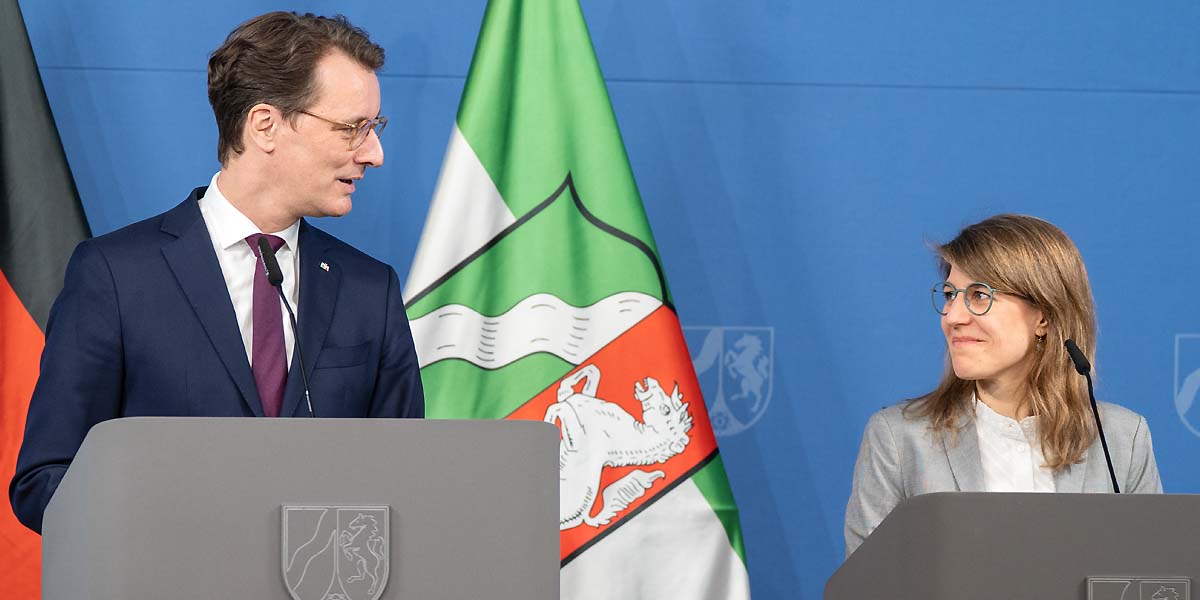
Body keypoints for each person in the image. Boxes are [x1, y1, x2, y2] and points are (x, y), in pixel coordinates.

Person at [10, 12, 424, 534]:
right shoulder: (115, 277)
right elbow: (46, 480)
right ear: (265, 125)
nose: (374, 154)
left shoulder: (371, 290)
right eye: (352, 129)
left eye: (374, 128)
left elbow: (408, 481)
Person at [844, 214, 1161, 557]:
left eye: (980, 295)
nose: (952, 316)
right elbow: (867, 580)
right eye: (950, 295)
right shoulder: (900, 439)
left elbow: (1153, 570)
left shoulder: (1122, 440)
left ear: (1043, 315)